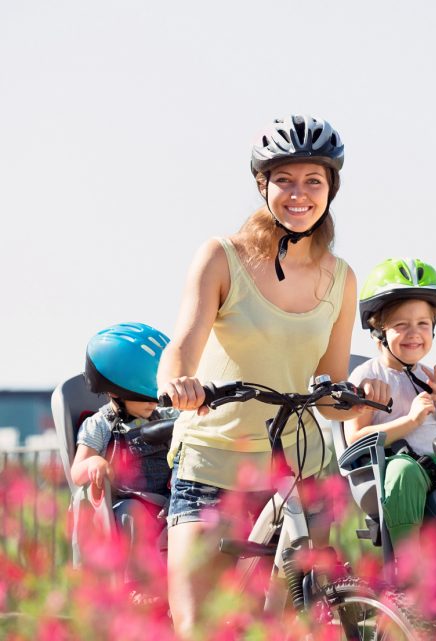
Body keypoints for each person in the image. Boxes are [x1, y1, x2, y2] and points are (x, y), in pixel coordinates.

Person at [156, 114, 390, 637]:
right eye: (285, 179)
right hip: (215, 463)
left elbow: (329, 389)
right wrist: (178, 383)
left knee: (296, 620)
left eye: (314, 181)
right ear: (263, 185)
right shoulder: (223, 257)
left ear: (331, 189)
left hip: (300, 470)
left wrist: (356, 396)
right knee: (197, 623)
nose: (299, 194)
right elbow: (182, 347)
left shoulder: (341, 277)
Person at [346, 258, 436, 543]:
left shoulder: (434, 376)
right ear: (378, 332)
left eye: (423, 323)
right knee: (403, 471)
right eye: (401, 325)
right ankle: (406, 569)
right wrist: (410, 421)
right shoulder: (368, 375)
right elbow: (356, 437)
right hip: (401, 464)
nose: (414, 333)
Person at [71, 321, 177, 598]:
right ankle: (134, 589)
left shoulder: (163, 417)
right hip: (121, 505)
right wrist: (94, 463)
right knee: (133, 514)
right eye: (145, 397)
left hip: (166, 502)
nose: (154, 404)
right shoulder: (100, 425)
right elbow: (77, 470)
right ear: (116, 392)